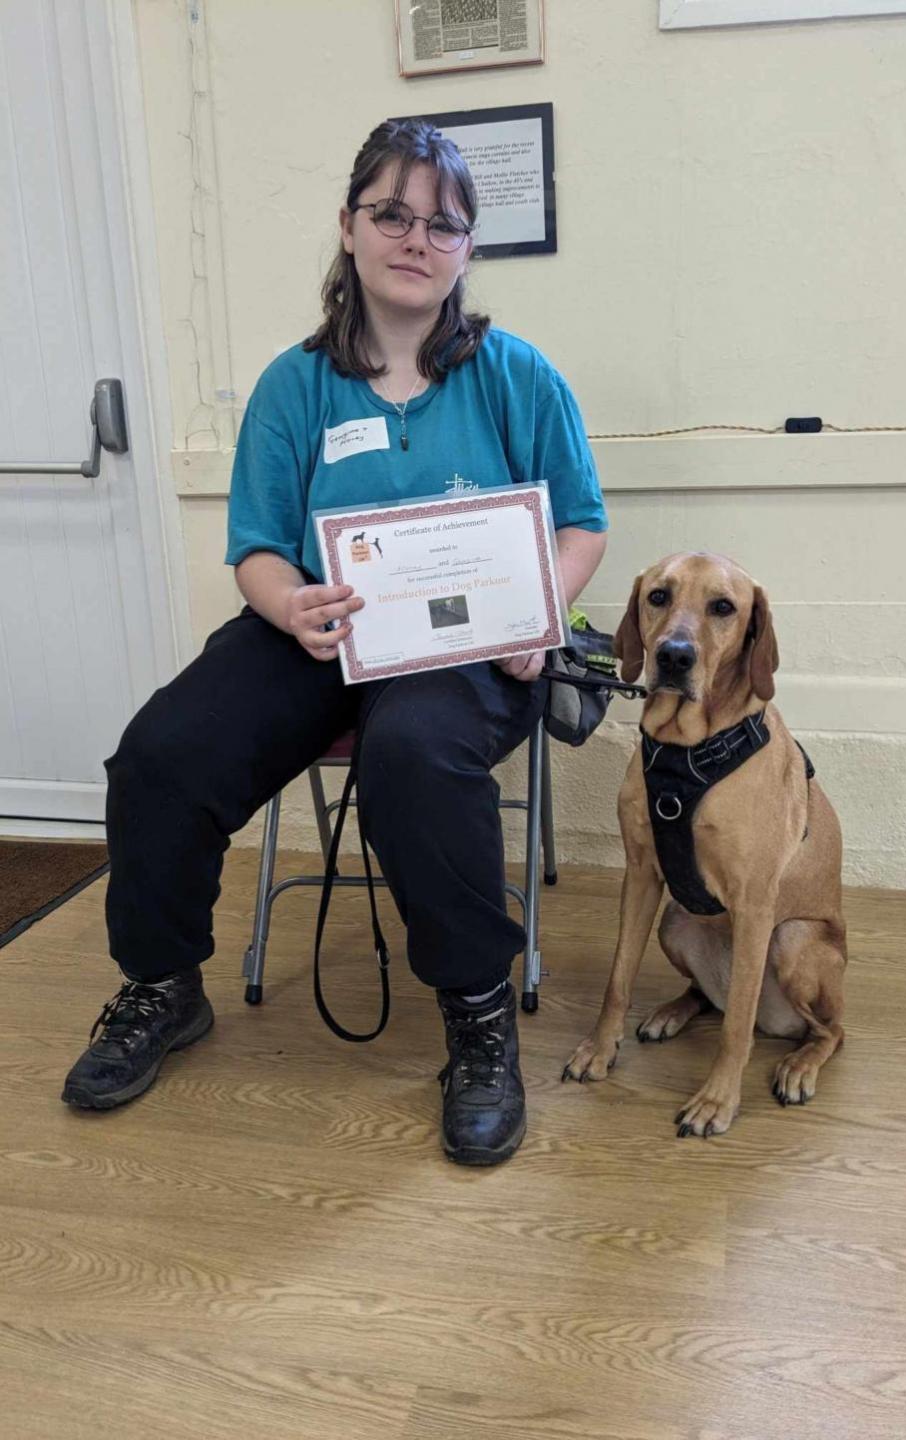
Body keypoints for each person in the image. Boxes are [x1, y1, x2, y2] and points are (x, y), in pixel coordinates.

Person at [62, 118, 607, 1166]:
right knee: (162, 755)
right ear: (348, 229)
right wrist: (287, 606)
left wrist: (539, 608)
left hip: (469, 641)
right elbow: (258, 549)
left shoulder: (516, 375)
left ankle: (479, 1016)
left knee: (413, 752)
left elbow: (579, 522)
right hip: (320, 629)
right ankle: (162, 988)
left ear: (466, 249)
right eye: (390, 213)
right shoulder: (294, 385)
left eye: (442, 222)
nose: (416, 237)